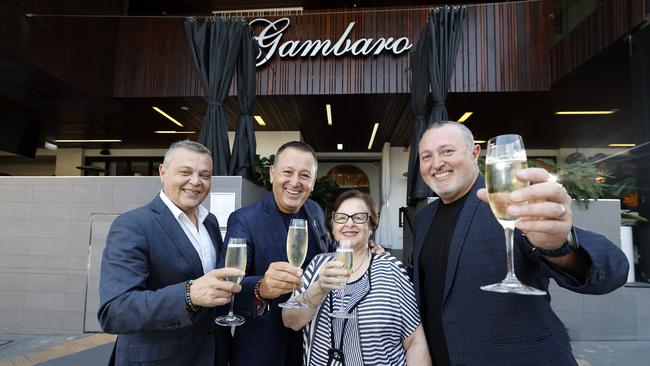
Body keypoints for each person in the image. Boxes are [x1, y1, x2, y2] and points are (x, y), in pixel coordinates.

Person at [412, 121, 629, 365]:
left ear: (475, 153)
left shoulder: (509, 200)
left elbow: (614, 269)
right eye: (426, 156)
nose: (436, 163)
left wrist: (558, 247)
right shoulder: (424, 218)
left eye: (447, 151)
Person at [98, 140, 243, 366]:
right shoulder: (132, 225)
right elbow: (115, 311)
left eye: (204, 175)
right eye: (185, 172)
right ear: (163, 173)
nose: (195, 182)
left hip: (212, 355)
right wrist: (188, 295)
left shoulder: (210, 222)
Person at [283, 190, 431, 366]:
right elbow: (290, 321)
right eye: (341, 217)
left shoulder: (391, 269)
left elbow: (416, 342)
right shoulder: (317, 265)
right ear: (332, 224)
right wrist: (319, 288)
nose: (349, 223)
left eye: (359, 217)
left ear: (371, 225)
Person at [222, 141, 338, 366]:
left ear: (313, 183)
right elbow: (229, 284)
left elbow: (329, 253)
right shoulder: (244, 220)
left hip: (311, 346)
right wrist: (261, 288)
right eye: (287, 172)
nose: (295, 182)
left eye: (305, 175)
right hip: (264, 351)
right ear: (272, 173)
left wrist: (363, 249)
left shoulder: (314, 210)